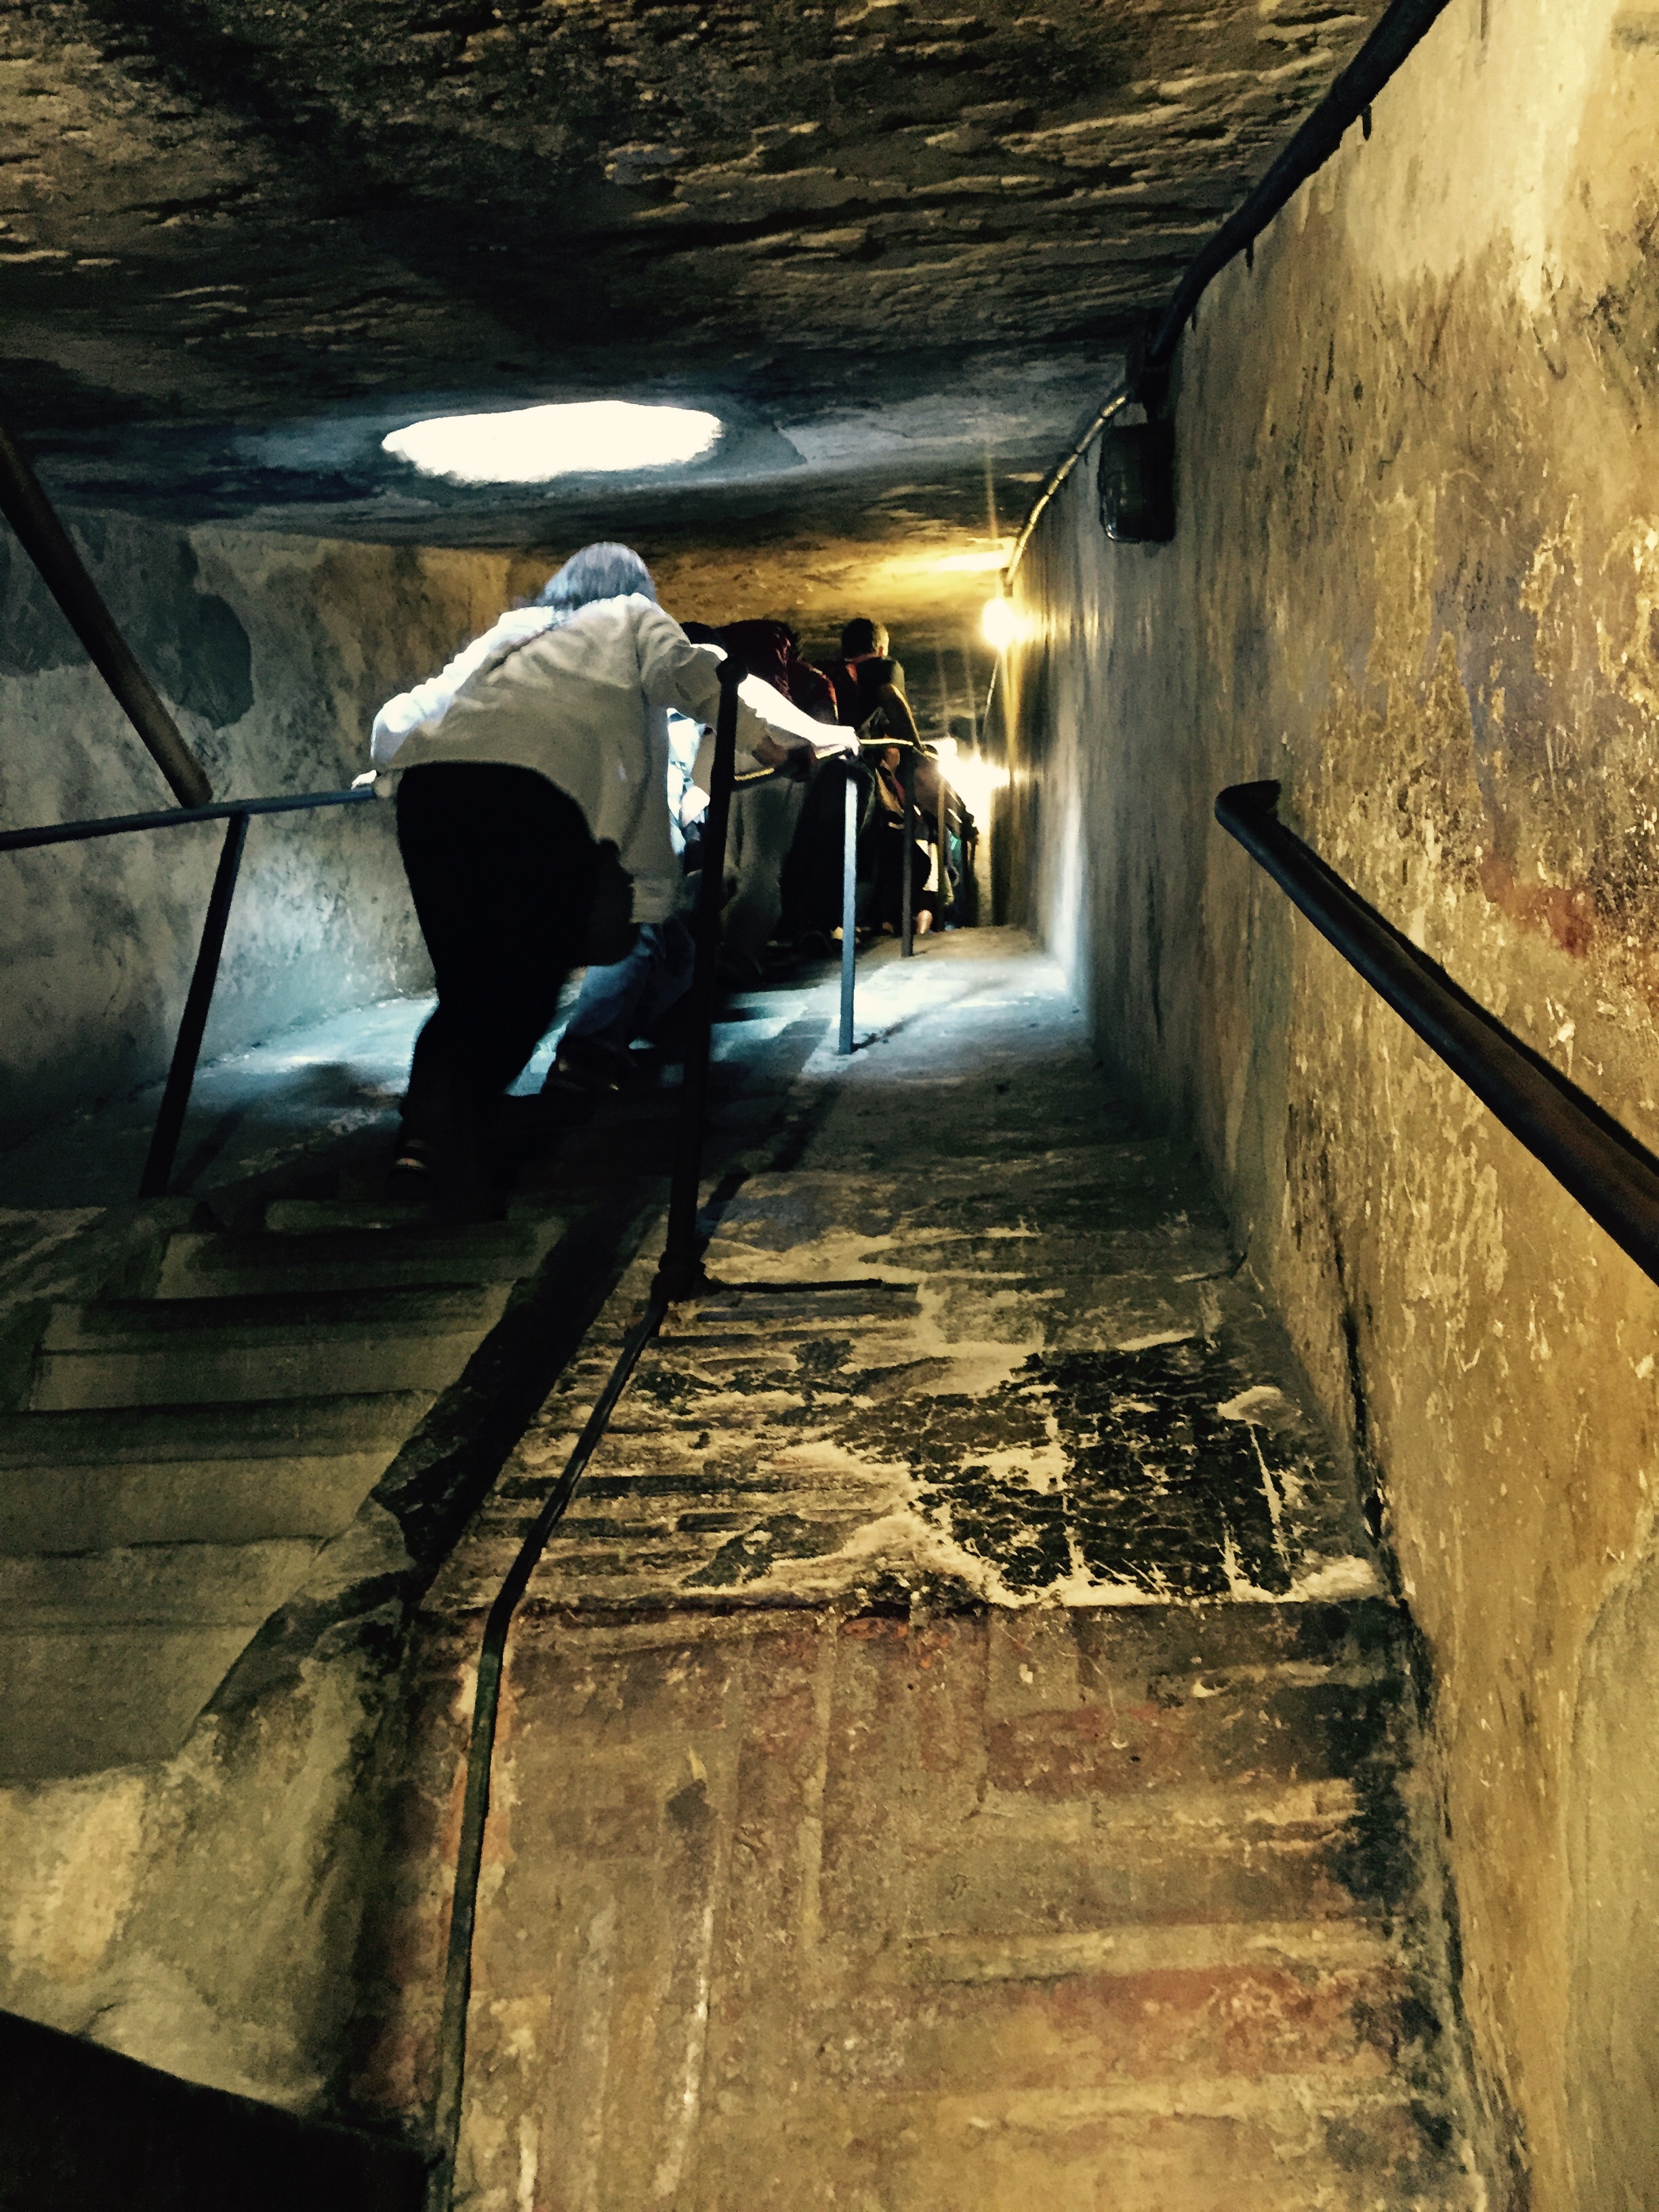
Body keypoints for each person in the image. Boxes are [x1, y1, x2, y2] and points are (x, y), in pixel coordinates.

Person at [368, 543, 821, 1209]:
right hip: (533, 796)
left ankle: (426, 1146)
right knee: (524, 985)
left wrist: (387, 764)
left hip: (435, 796)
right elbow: (698, 677)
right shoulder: (634, 618)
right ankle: (467, 1139)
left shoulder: (515, 630)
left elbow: (413, 710)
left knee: (470, 987)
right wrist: (774, 749)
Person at [713, 617, 844, 980]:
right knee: (762, 861)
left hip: (716, 744)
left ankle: (703, 946)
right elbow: (826, 733)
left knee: (721, 861)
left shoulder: (724, 672)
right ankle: (741, 952)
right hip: (778, 753)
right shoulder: (811, 679)